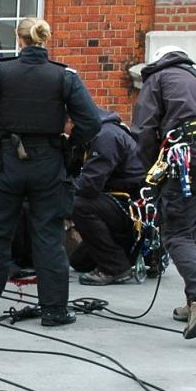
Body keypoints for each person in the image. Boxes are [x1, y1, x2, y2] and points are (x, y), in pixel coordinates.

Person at [0, 17, 100, 326]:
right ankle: (53, 310)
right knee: (48, 234)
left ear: (18, 40)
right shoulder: (64, 77)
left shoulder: (0, 72)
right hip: (49, 162)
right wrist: (70, 144)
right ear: (45, 41)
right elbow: (91, 121)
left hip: (8, 160)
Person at [131, 45, 196, 339]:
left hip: (187, 158)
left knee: (177, 233)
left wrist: (148, 177)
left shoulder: (159, 79)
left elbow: (143, 131)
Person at [68, 107, 145, 286]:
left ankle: (116, 268)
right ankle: (120, 256)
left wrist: (55, 192)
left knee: (78, 205)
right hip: (116, 203)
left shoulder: (105, 136)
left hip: (130, 207)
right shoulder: (92, 135)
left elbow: (88, 185)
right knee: (79, 262)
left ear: (72, 122)